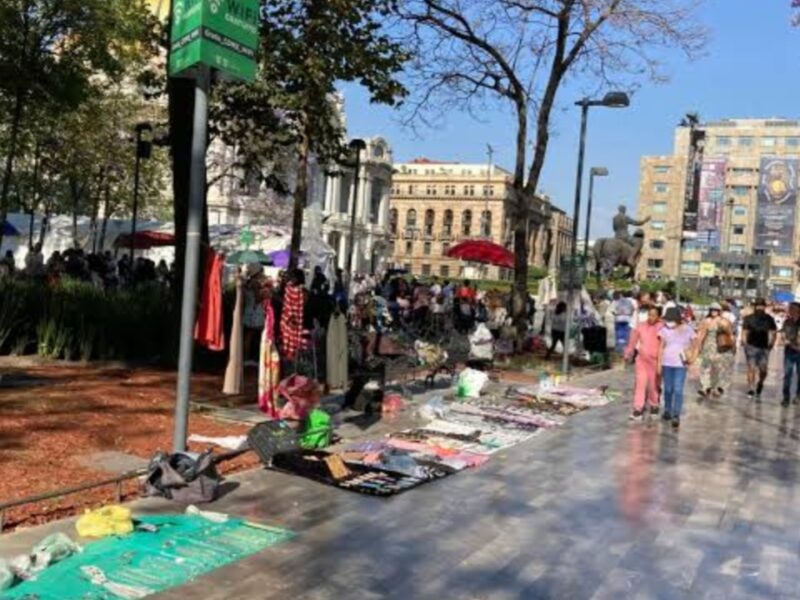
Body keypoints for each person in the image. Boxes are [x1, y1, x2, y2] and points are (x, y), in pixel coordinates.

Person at [658, 306, 696, 429]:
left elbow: (696, 344)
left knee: (678, 389)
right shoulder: (664, 330)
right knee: (668, 389)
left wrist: (692, 358)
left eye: (671, 319)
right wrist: (659, 363)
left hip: (681, 364)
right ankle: (667, 411)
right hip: (666, 363)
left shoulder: (688, 330)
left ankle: (676, 414)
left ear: (677, 319)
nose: (669, 322)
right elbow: (661, 347)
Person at [624, 305, 663, 421]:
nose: (651, 317)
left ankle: (654, 404)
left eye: (654, 315)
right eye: (649, 315)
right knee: (640, 384)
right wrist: (628, 354)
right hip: (641, 360)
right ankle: (638, 409)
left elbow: (665, 344)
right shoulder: (640, 326)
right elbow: (632, 341)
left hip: (655, 361)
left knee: (653, 385)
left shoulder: (661, 327)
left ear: (658, 316)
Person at [695, 303, 735, 399]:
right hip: (708, 347)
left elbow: (730, 334)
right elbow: (701, 334)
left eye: (716, 310)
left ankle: (715, 387)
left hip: (720, 347)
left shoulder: (724, 321)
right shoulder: (706, 321)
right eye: (712, 309)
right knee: (705, 367)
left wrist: (733, 347)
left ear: (719, 311)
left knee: (717, 368)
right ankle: (705, 387)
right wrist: (698, 346)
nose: (714, 311)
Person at [742, 297, 777, 401]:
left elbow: (773, 332)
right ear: (755, 307)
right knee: (751, 368)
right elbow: (744, 332)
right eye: (758, 305)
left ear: (764, 307)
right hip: (751, 346)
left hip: (764, 347)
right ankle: (750, 389)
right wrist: (745, 344)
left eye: (761, 305)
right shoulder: (748, 318)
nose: (760, 307)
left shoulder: (769, 319)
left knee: (763, 370)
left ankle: (760, 382)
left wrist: (771, 344)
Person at [780, 302, 800, 407]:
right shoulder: (787, 322)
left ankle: (798, 396)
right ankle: (786, 398)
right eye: (790, 309)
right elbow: (783, 334)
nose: (790, 310)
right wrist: (784, 339)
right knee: (787, 375)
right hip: (789, 352)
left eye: (792, 309)